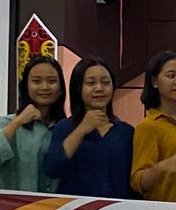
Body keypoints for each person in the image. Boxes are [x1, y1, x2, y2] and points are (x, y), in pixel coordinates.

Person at [44, 57, 136, 198]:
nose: (99, 88)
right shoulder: (64, 127)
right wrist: (81, 130)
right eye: (91, 83)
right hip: (75, 209)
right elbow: (52, 168)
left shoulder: (126, 132)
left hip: (116, 209)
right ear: (78, 88)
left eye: (105, 82)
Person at [0, 54, 66, 193]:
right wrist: (18, 122)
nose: (44, 87)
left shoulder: (67, 128)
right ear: (26, 87)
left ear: (61, 89)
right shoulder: (6, 123)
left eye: (52, 81)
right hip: (14, 206)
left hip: (60, 207)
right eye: (36, 81)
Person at [129, 51, 176, 202]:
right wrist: (163, 167)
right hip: (165, 209)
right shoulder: (148, 127)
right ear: (154, 82)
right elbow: (138, 181)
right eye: (171, 76)